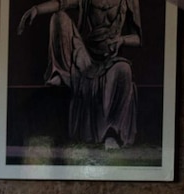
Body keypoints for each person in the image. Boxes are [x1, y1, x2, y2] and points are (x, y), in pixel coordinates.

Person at [17, 0, 142, 149]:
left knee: (124, 69)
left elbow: (138, 38)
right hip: (84, 57)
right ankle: (60, 72)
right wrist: (36, 9)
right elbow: (62, 3)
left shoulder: (129, 1)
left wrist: (121, 40)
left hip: (111, 60)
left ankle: (112, 132)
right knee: (59, 18)